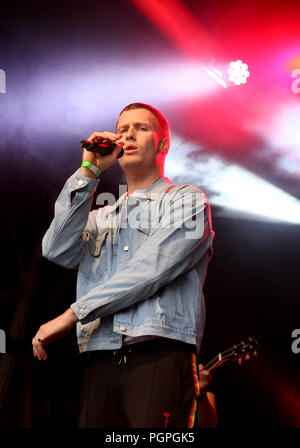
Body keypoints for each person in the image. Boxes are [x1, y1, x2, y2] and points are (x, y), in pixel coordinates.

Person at [32, 102, 215, 428]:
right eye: (122, 129)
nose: (127, 134)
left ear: (162, 143)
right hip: (100, 358)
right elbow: (55, 248)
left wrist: (73, 314)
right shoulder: (100, 217)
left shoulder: (186, 201)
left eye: (140, 128)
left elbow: (151, 268)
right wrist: (88, 172)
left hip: (158, 353)